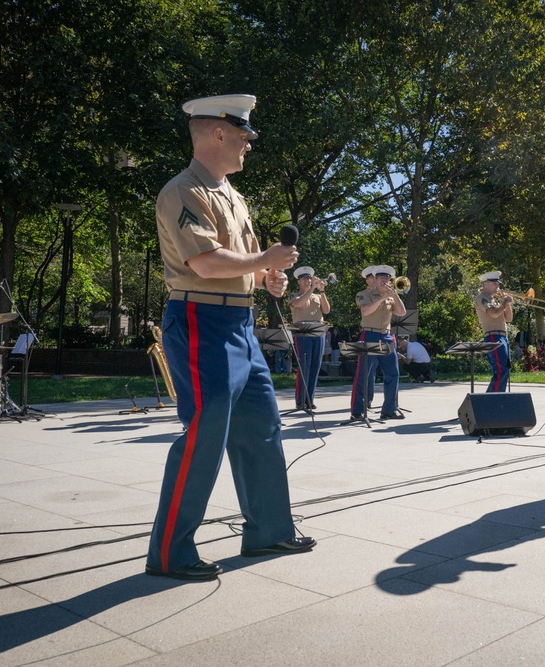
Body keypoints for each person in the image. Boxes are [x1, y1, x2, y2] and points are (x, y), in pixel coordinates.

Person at [146, 93, 315, 582]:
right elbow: (205, 264)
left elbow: (244, 264)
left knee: (261, 427)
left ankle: (268, 531)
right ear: (217, 133)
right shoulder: (183, 190)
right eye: (243, 137)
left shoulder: (232, 196)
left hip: (239, 323)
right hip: (200, 322)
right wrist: (263, 263)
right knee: (204, 434)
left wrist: (267, 278)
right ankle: (169, 552)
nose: (247, 146)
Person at [350, 264, 406, 420]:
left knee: (393, 373)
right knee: (363, 374)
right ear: (375, 279)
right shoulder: (364, 294)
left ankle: (389, 409)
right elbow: (365, 311)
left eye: (387, 278)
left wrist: (394, 296)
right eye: (382, 278)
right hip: (369, 334)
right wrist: (382, 297)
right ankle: (357, 411)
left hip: (386, 336)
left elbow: (402, 312)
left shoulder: (391, 295)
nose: (385, 281)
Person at [289, 266, 330, 410]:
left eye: (309, 278)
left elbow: (326, 310)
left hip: (318, 332)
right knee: (304, 367)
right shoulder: (294, 295)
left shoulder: (317, 296)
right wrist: (312, 288)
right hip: (302, 333)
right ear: (298, 282)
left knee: (315, 367)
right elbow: (298, 304)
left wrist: (322, 291)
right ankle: (300, 400)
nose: (307, 281)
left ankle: (309, 399)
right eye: (304, 279)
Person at [474, 270, 513, 392]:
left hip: (502, 336)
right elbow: (494, 314)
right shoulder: (482, 298)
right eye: (494, 283)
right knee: (501, 370)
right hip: (493, 336)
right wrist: (504, 303)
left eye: (498, 284)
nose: (498, 286)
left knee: (505, 370)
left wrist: (507, 303)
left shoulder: (493, 299)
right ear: (485, 283)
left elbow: (509, 318)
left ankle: (496, 397)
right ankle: (492, 399)